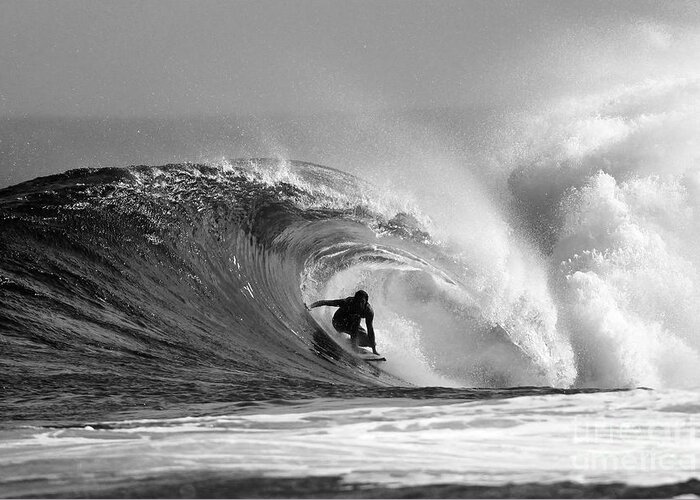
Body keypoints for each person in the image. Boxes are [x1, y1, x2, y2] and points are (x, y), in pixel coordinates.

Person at [307, 290, 379, 355]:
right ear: (354, 299)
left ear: (366, 302)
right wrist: (310, 306)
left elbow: (370, 330)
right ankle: (353, 345)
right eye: (357, 301)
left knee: (371, 342)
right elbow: (326, 302)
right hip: (338, 321)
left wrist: (374, 350)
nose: (359, 304)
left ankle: (348, 342)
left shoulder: (369, 312)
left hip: (352, 324)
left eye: (362, 302)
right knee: (356, 320)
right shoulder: (347, 302)